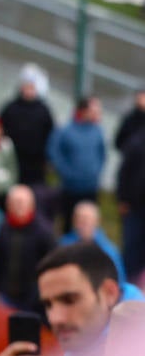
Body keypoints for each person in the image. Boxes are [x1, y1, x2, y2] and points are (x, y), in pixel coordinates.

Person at [0, 186, 57, 311]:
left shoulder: (44, 231)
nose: (18, 206)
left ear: (31, 205)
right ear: (8, 205)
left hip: (33, 300)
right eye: (14, 202)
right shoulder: (3, 228)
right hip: (6, 296)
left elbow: (52, 265)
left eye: (21, 202)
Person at [48, 96, 107, 231]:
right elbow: (54, 152)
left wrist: (96, 171)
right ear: (83, 110)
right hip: (70, 187)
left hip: (91, 186)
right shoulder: (65, 130)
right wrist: (66, 172)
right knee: (69, 222)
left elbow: (102, 153)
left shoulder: (97, 130)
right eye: (93, 110)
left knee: (90, 223)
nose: (97, 114)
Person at [61, 199, 129, 286]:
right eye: (80, 219)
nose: (83, 223)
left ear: (97, 221)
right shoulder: (64, 245)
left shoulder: (109, 250)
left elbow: (120, 281)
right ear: (74, 221)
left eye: (87, 220)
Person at [118, 127, 145, 284]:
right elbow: (123, 172)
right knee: (132, 249)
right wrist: (122, 199)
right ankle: (127, 285)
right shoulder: (136, 143)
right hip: (134, 207)